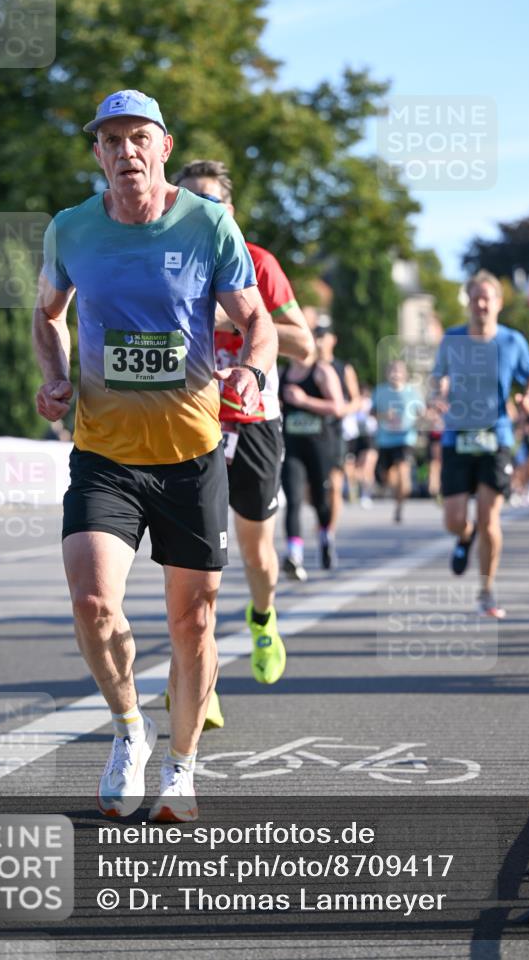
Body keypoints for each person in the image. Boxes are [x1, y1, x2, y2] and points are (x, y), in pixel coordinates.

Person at [32, 90, 276, 823]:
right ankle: (129, 731)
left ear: (164, 146)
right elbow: (47, 312)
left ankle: (181, 766)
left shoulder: (208, 223)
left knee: (192, 622)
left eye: (138, 137)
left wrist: (251, 370)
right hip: (104, 453)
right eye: (111, 141)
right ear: (98, 153)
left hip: (190, 454)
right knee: (91, 600)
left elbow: (256, 319)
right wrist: (55, 374)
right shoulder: (71, 228)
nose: (126, 151)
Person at [174, 159, 315, 690]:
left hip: (254, 421)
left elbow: (303, 344)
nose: (198, 211)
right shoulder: (166, 263)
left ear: (229, 211)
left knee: (256, 552)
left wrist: (233, 319)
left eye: (209, 202)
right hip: (191, 424)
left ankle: (262, 619)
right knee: (194, 563)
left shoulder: (258, 262)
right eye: (187, 201)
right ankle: (197, 679)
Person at [431, 270, 529, 618]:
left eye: (487, 298)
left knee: (489, 517)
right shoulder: (452, 339)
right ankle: (464, 537)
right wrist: (438, 395)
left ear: (498, 302)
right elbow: (438, 377)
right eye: (475, 298)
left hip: (497, 437)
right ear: (468, 302)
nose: (481, 304)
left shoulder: (512, 341)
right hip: (457, 436)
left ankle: (486, 591)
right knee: (454, 519)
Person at [279, 346, 345, 579]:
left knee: (320, 499)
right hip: (292, 447)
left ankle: (326, 537)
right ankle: (294, 555)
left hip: (319, 446)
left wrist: (305, 400)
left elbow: (338, 408)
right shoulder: (282, 374)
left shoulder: (321, 371)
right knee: (293, 499)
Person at [314, 322, 360, 547]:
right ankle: (322, 521)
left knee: (334, 484)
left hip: (335, 431)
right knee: (312, 488)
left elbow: (356, 400)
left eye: (323, 336)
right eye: (316, 336)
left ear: (333, 339)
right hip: (311, 433)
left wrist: (342, 410)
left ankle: (329, 532)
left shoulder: (343, 368)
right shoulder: (307, 367)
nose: (319, 341)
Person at [373, 359, 424, 523]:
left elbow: (421, 413)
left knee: (403, 473)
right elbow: (372, 413)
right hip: (385, 439)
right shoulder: (380, 391)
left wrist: (421, 420)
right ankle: (395, 491)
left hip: (405, 438)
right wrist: (384, 416)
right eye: (392, 370)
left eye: (399, 371)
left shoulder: (413, 392)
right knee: (386, 478)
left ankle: (399, 506)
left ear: (405, 374)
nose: (395, 374)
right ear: (387, 373)